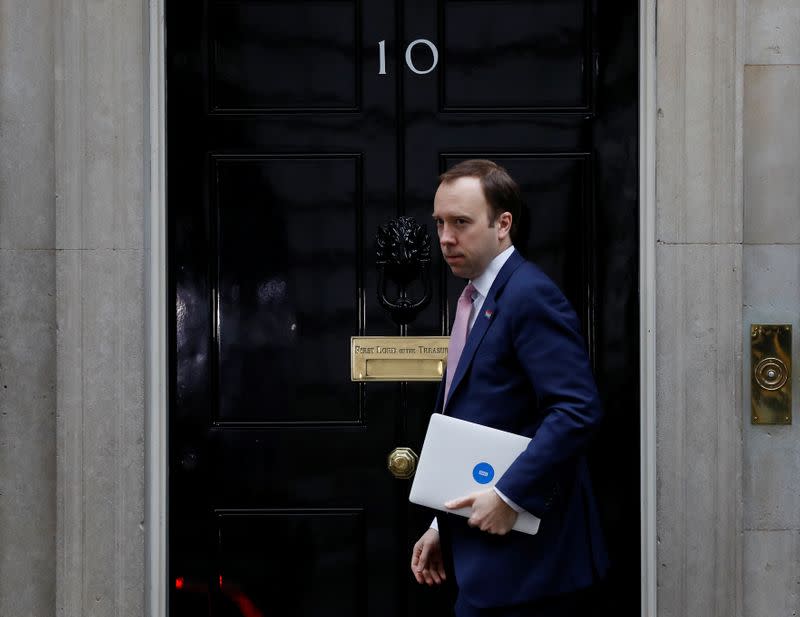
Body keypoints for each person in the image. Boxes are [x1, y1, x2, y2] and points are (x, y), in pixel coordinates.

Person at [410, 160, 608, 616]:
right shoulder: (476, 297)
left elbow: (576, 410)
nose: (445, 237)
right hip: (487, 561)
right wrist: (444, 523)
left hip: (534, 570)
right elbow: (475, 418)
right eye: (440, 222)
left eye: (461, 222)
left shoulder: (528, 295)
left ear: (503, 224)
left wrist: (508, 495)